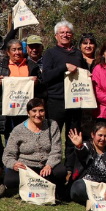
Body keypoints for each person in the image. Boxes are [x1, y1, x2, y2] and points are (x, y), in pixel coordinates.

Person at [39, 20, 85, 172]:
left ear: (72, 35)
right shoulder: (50, 53)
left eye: (68, 32)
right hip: (56, 100)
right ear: (56, 36)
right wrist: (64, 67)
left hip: (75, 101)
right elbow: (46, 77)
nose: (65, 35)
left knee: (73, 136)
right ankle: (52, 166)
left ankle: (70, 168)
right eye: (62, 32)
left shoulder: (78, 54)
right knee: (53, 136)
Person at [3, 98, 68, 198]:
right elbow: (8, 155)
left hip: (46, 167)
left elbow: (57, 150)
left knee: (61, 171)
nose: (38, 114)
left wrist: (49, 165)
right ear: (28, 113)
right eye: (34, 111)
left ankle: (48, 186)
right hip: (26, 168)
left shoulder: (52, 125)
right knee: (10, 180)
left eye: (41, 110)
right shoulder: (18, 130)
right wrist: (14, 164)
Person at [67, 122, 106, 207]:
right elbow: (82, 154)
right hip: (88, 185)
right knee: (78, 187)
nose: (102, 139)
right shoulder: (86, 146)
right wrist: (79, 146)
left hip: (105, 185)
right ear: (93, 135)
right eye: (100, 135)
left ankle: (99, 198)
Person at [0, 39, 41, 142]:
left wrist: (37, 83)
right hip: (8, 110)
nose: (17, 52)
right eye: (14, 50)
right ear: (8, 52)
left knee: (27, 137)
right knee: (10, 138)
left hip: (26, 109)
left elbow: (43, 84)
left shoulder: (31, 66)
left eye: (19, 49)